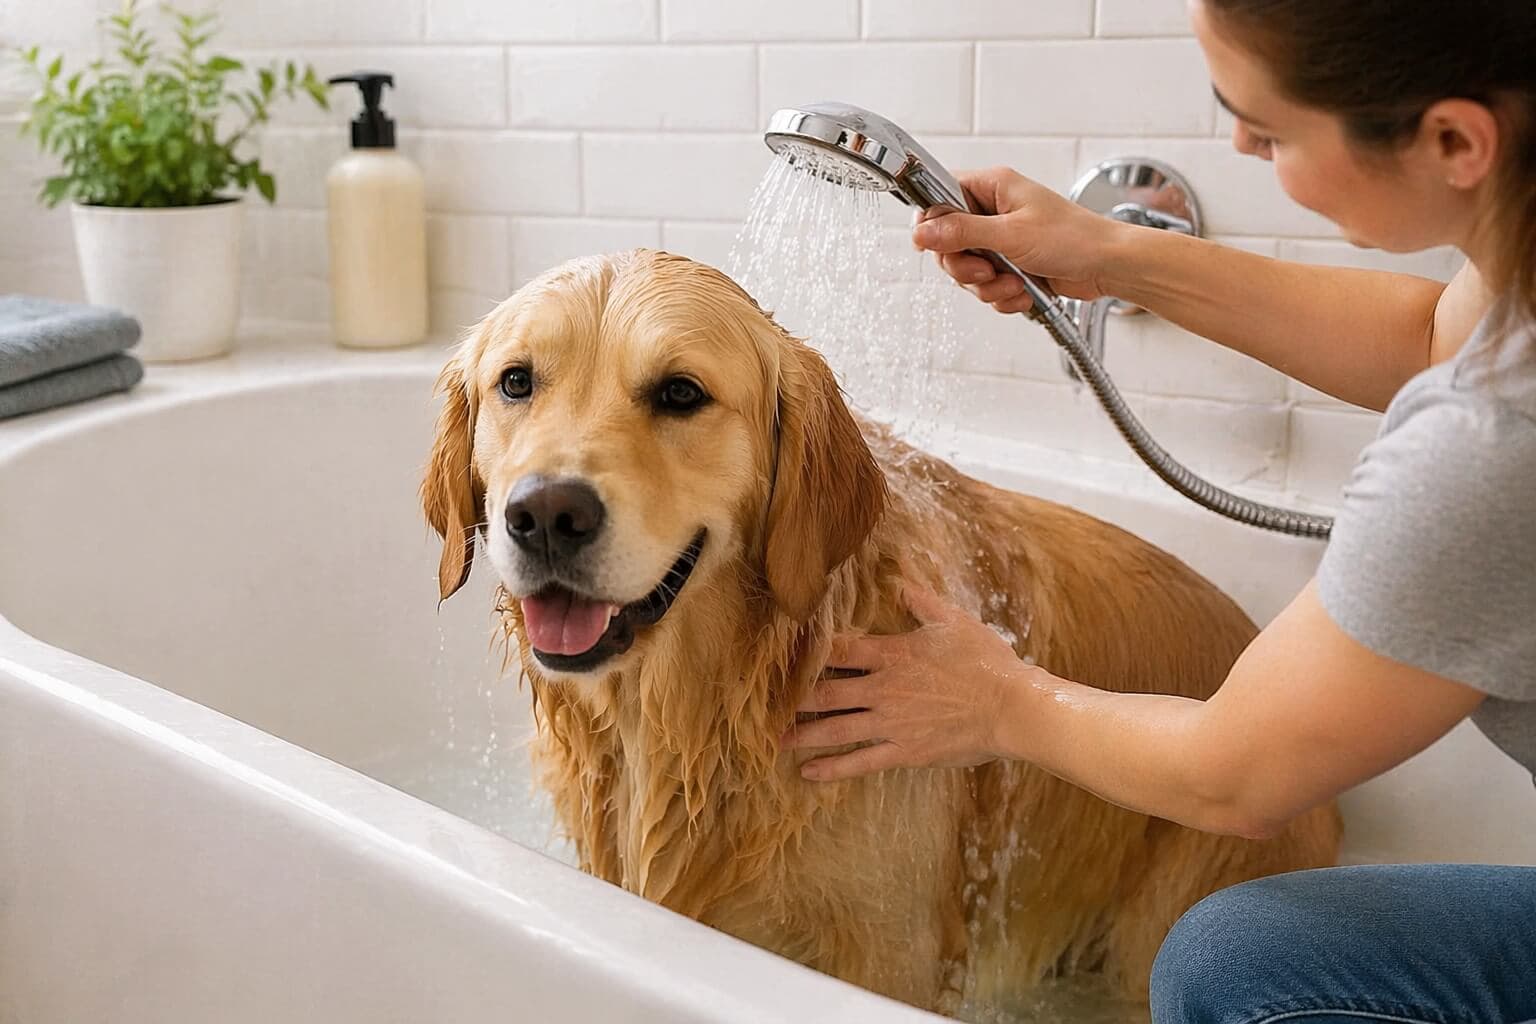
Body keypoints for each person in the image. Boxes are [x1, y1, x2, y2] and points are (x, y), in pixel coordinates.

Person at [779, 1, 1536, 1020]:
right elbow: (1430, 332)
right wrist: (1107, 254)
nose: (1237, 143)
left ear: (1454, 139)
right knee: (1240, 954)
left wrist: (998, 701)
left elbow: (1238, 776)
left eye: (1269, 131)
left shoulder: (1490, 447)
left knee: (1235, 972)